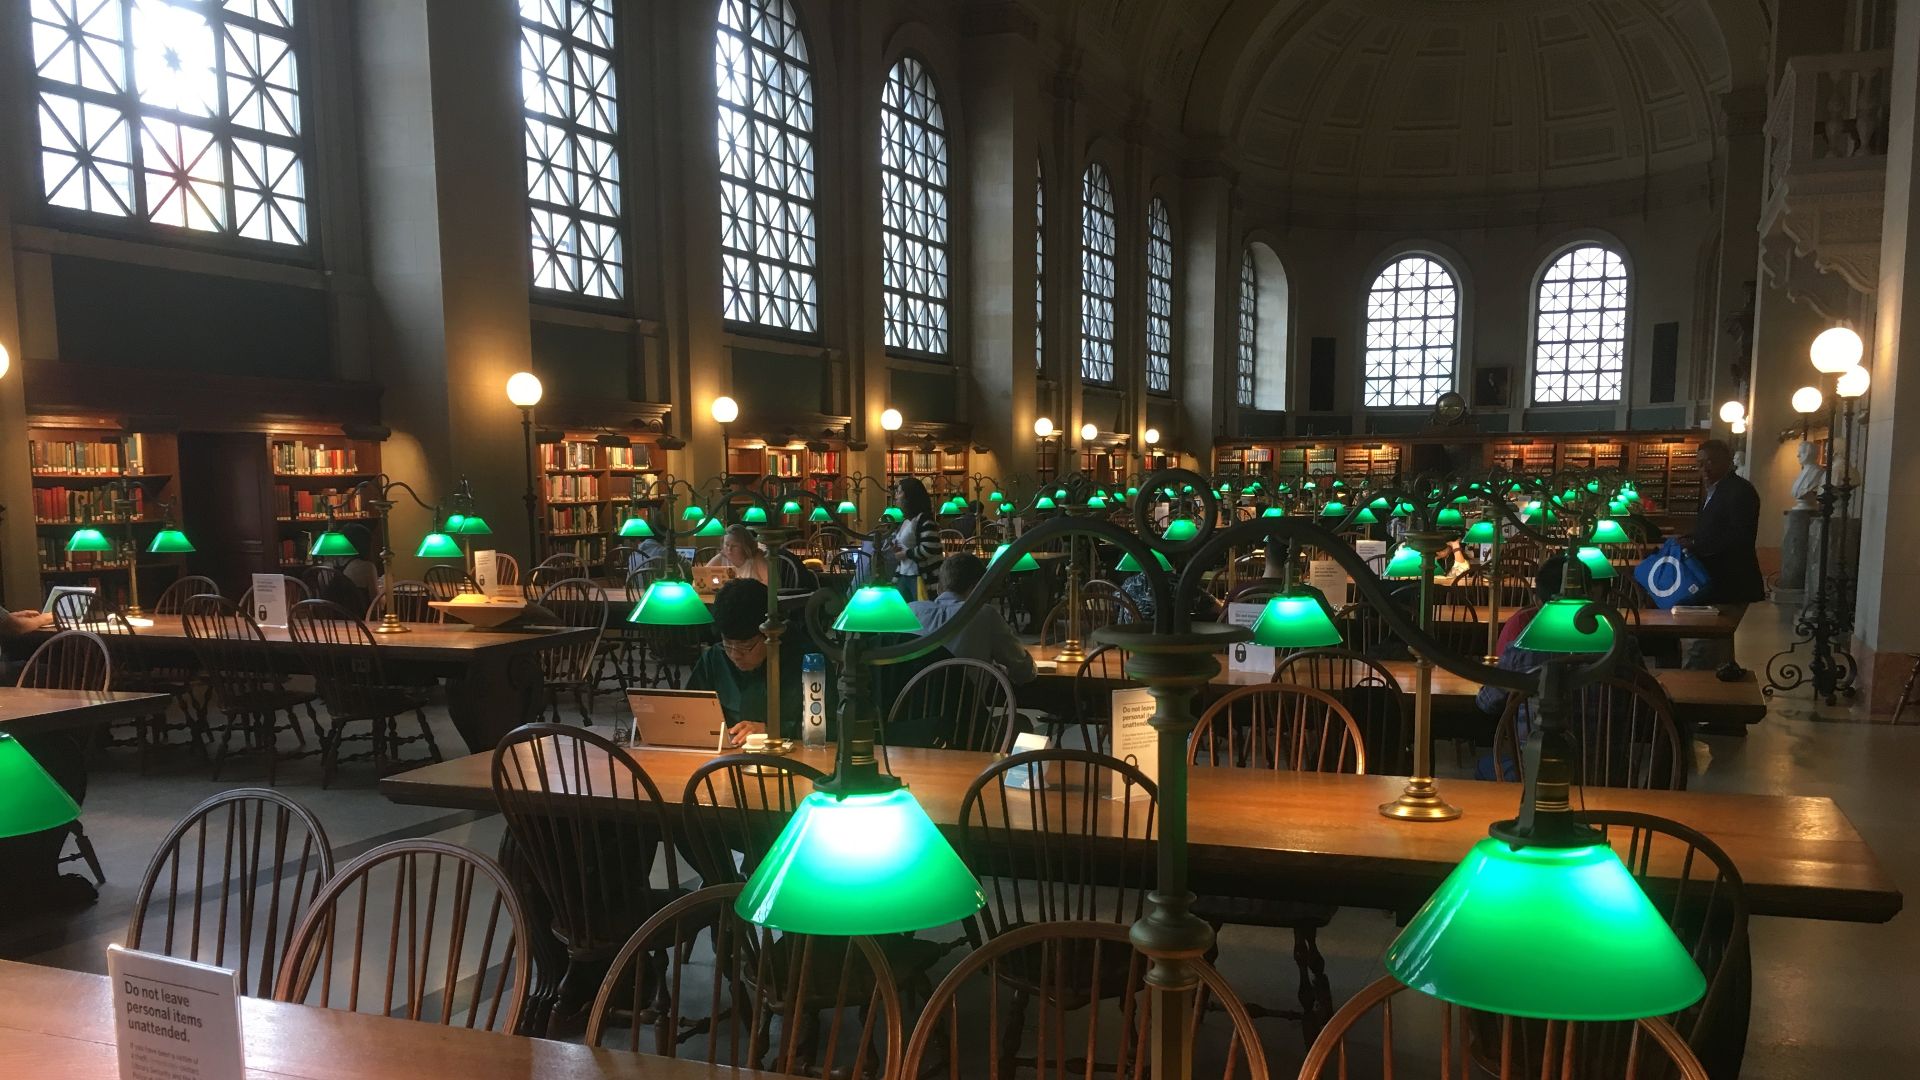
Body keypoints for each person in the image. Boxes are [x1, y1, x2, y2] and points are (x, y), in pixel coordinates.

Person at [1475, 555, 1657, 779]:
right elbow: (1650, 703)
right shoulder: (1623, 646)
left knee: (1485, 766)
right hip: (1607, 773)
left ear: (1538, 602)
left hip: (1534, 775)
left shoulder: (1521, 650)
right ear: (1592, 595)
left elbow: (1486, 703)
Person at [687, 579, 809, 747]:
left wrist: (773, 730)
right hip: (723, 759)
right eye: (728, 643)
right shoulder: (717, 656)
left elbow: (830, 729)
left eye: (745, 646)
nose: (735, 655)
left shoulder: (806, 661)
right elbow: (690, 709)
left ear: (771, 633)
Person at [1679, 439, 1763, 674]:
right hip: (1717, 581)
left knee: (1703, 647)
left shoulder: (1739, 491)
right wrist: (1692, 536)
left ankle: (1689, 697)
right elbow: (1716, 528)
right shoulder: (1716, 490)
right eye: (1699, 464)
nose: (1704, 469)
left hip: (1730, 582)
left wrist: (1696, 546)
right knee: (1720, 648)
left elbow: (1739, 536)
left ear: (1727, 462)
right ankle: (1722, 698)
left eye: (1710, 462)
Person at [909, 553, 1036, 685]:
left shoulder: (910, 611)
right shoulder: (985, 614)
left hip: (909, 703)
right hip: (965, 704)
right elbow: (1023, 672)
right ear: (978, 587)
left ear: (938, 588)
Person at [888, 477, 941, 600]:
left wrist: (905, 554)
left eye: (899, 492)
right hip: (904, 573)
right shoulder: (906, 520)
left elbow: (930, 549)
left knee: (919, 611)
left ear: (909, 496)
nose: (896, 496)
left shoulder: (924, 520)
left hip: (921, 577)